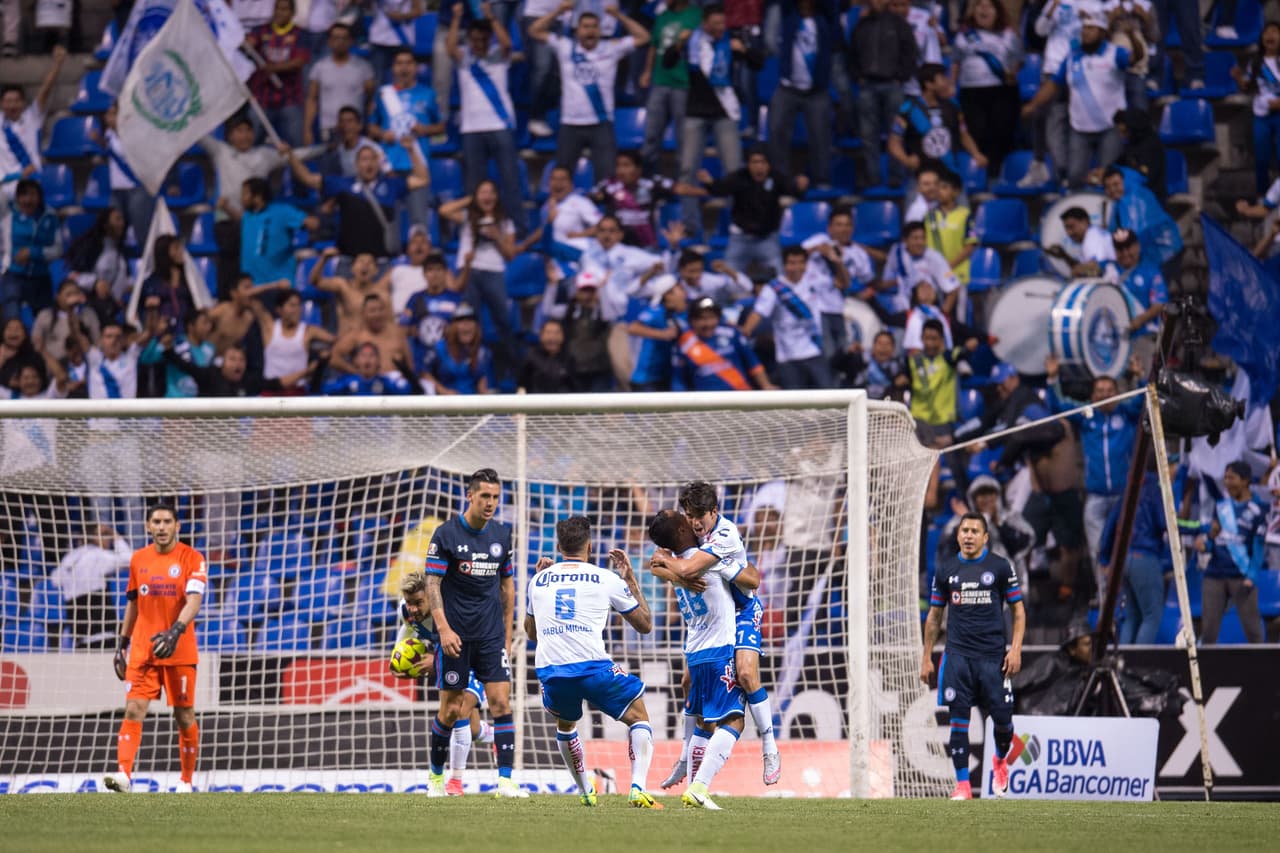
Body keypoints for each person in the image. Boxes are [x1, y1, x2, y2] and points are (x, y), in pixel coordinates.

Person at [525, 515, 662, 808]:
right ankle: (637, 788)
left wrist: (538, 591)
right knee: (639, 717)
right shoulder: (606, 578)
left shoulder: (538, 579)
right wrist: (630, 579)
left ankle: (585, 789)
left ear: (559, 545)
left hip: (552, 671)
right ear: (590, 546)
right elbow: (645, 625)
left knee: (566, 724)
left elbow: (532, 634)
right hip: (593, 668)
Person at [423, 468, 526, 798]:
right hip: (455, 638)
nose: (491, 503)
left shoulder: (501, 534)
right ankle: (436, 778)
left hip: (491, 635)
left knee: (500, 702)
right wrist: (443, 630)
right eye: (485, 496)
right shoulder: (446, 534)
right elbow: (432, 584)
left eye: (496, 497)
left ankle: (506, 781)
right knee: (452, 711)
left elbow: (507, 586)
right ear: (470, 496)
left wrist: (508, 637)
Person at [647, 509, 759, 809]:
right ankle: (700, 786)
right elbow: (751, 578)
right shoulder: (702, 559)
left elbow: (657, 564)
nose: (690, 518)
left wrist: (674, 572)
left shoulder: (671, 563)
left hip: (694, 651)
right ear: (683, 531)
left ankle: (689, 767)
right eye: (684, 518)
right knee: (734, 721)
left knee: (703, 723)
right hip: (719, 648)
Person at [671, 481, 780, 786]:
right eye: (689, 516)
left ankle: (770, 747)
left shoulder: (725, 533)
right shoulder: (693, 531)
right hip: (715, 618)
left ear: (714, 512)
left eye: (700, 516)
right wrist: (666, 566)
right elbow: (664, 563)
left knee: (745, 675)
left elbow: (690, 569)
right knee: (688, 682)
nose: (694, 523)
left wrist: (670, 565)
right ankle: (684, 756)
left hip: (742, 611)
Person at [920, 512, 1025, 800]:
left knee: (1003, 722)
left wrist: (1015, 649)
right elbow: (934, 616)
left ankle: (1000, 762)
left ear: (985, 537)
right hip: (957, 657)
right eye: (964, 530)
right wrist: (926, 656)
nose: (968, 535)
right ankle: (963, 786)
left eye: (974, 531)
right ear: (957, 535)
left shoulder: (1000, 567)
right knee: (958, 721)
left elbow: (1018, 611)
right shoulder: (946, 569)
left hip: (993, 658)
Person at [103, 504, 208, 793]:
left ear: (178, 526)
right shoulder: (139, 559)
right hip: (143, 649)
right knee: (134, 709)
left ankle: (186, 781)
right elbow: (133, 604)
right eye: (156, 522)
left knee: (184, 714)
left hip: (179, 649)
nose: (161, 527)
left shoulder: (192, 558)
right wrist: (121, 644)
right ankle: (123, 775)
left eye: (166, 522)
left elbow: (194, 600)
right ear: (148, 526)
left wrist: (176, 630)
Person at [1045, 352, 1143, 592]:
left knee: (1127, 552)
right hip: (1096, 499)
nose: (1105, 395)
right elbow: (1059, 406)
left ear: (1118, 393)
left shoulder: (1127, 413)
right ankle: (1104, 605)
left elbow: (1143, 400)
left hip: (1123, 498)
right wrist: (1052, 378)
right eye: (1100, 391)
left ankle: (1126, 604)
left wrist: (1139, 377)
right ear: (1092, 395)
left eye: (1110, 390)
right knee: (1099, 553)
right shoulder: (1088, 416)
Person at [394, 570, 496, 797]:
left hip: (476, 654)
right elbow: (408, 628)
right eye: (410, 602)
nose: (413, 608)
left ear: (432, 595)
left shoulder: (453, 610)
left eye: (418, 602)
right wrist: (398, 657)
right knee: (473, 729)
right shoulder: (406, 611)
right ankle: (497, 736)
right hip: (449, 655)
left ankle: (455, 783)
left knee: (458, 711)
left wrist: (436, 661)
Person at [530, 1, 650, 182]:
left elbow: (644, 37)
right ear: (577, 30)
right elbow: (534, 30)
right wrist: (559, 11)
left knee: (608, 181)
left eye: (594, 27)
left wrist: (619, 16)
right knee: (563, 177)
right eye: (585, 27)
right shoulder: (565, 47)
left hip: (601, 124)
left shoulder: (611, 48)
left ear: (600, 30)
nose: (590, 31)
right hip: (570, 124)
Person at [1022, 13, 1141, 188]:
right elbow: (1053, 85)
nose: (1085, 32)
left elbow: (1135, 58)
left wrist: (1132, 36)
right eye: (1084, 28)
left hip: (1111, 126)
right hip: (1080, 128)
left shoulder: (1114, 53)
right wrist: (1033, 105)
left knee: (1108, 175)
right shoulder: (1072, 57)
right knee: (1075, 177)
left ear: (1101, 32)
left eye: (1091, 29)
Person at [447, 4, 528, 236]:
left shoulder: (498, 57)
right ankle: (476, 228)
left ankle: (517, 229)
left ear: (488, 38)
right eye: (474, 39)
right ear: (470, 39)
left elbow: (507, 44)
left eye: (483, 39)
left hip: (500, 126)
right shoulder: (464, 60)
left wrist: (491, 17)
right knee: (474, 185)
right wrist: (455, 19)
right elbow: (450, 47)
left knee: (510, 181)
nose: (478, 43)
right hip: (472, 129)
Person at [676, 3, 759, 221]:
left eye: (723, 22)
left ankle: (737, 219)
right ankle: (689, 223)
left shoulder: (730, 41)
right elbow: (667, 62)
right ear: (705, 24)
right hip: (695, 110)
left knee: (734, 170)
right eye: (716, 23)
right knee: (687, 169)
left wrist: (744, 50)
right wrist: (679, 44)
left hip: (725, 111)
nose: (721, 27)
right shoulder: (691, 41)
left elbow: (758, 63)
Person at [284, 139, 430, 262]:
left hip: (382, 261)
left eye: (373, 159)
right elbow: (308, 179)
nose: (369, 164)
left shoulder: (391, 184)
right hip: (349, 260)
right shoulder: (342, 184)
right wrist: (290, 156)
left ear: (379, 163)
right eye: (364, 159)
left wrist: (412, 150)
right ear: (356, 164)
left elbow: (422, 180)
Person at [687, 146, 808, 280]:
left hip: (767, 239)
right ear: (749, 164)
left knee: (780, 279)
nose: (759, 167)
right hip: (740, 239)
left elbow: (793, 191)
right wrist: (710, 183)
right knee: (727, 280)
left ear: (768, 164)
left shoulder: (776, 177)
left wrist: (800, 188)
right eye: (755, 162)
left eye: (763, 162)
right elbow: (721, 189)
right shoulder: (739, 177)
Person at [438, 180, 518, 375]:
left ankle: (512, 369)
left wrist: (497, 236)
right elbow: (443, 211)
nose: (487, 197)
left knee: (503, 321)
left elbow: (510, 254)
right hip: (469, 271)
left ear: (497, 197)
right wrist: (469, 200)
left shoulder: (506, 222)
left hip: (493, 271)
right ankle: (469, 369)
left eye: (491, 192)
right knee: (467, 322)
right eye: (482, 192)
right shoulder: (467, 217)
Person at [740, 244, 844, 389]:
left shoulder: (814, 280)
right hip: (787, 357)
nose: (796, 267)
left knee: (829, 396)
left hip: (814, 351)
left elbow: (842, 283)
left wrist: (838, 263)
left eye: (801, 262)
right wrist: (746, 329)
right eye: (792, 263)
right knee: (795, 404)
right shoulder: (773, 288)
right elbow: (759, 312)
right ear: (784, 265)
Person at [767, 0, 839, 188]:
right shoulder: (789, 17)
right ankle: (779, 180)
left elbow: (833, 8)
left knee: (820, 136)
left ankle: (822, 179)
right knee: (776, 130)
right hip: (788, 87)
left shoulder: (825, 21)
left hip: (816, 90)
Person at [1098, 457, 1169, 644]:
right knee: (1151, 615)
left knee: (1131, 615)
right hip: (1145, 556)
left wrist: (1105, 559)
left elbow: (1109, 526)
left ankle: (1124, 662)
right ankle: (1140, 662)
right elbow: (1166, 523)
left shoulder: (1127, 492)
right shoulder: (1154, 490)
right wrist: (1199, 528)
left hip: (1122, 559)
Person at [1195, 460, 1266, 644]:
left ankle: (1264, 671)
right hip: (1214, 575)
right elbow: (1213, 540)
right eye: (1225, 478)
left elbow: (1258, 549)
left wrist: (1252, 576)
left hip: (1241, 578)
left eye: (1231, 478)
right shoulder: (1221, 507)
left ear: (1245, 481)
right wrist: (1206, 542)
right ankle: (1202, 672)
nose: (1227, 482)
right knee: (1208, 633)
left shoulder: (1258, 511)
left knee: (1254, 633)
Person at [849, 0, 918, 187]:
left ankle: (896, 178)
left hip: (893, 86)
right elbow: (852, 54)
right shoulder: (862, 24)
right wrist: (858, 76)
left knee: (895, 134)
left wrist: (901, 77)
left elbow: (911, 53)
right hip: (868, 86)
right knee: (867, 135)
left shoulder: (899, 24)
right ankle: (873, 179)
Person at [951, 0, 1023, 175]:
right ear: (973, 11)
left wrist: (1012, 73)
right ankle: (978, 175)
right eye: (979, 6)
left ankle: (996, 175)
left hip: (1001, 92)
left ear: (997, 12)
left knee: (999, 133)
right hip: (971, 92)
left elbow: (1019, 60)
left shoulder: (1008, 35)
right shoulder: (963, 36)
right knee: (976, 133)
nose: (983, 10)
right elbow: (955, 63)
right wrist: (951, 84)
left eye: (988, 6)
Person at [888, 63, 988, 179]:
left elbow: (963, 134)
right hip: (922, 179)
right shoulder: (908, 109)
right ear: (929, 84)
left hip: (951, 177)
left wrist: (976, 153)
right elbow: (894, 142)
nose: (947, 82)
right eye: (942, 79)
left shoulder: (953, 106)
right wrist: (906, 160)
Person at [641, 0, 700, 174]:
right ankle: (650, 180)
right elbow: (654, 46)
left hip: (684, 83)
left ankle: (682, 182)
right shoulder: (662, 16)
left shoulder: (696, 14)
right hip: (660, 82)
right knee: (651, 136)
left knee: (684, 139)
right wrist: (647, 71)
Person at [50, 524, 131, 649]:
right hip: (104, 636)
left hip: (80, 638)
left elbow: (55, 580)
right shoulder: (97, 555)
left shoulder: (68, 558)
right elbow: (129, 560)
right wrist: (117, 538)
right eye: (105, 535)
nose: (108, 539)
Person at [0, 45, 66, 199]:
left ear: (23, 103)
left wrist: (57, 65)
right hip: (4, 189)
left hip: (31, 187)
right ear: (2, 104)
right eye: (8, 101)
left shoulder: (32, 118)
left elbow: (45, 91)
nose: (12, 105)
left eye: (16, 101)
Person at [672, 297, 777, 392]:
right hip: (706, 403)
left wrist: (766, 385)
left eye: (712, 317)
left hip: (741, 396)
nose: (708, 323)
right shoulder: (684, 344)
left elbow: (752, 362)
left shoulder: (731, 334)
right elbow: (678, 379)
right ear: (692, 320)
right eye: (702, 319)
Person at [245, 0, 310, 146]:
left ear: (292, 13)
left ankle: (296, 170)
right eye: (277, 8)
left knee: (296, 147)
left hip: (290, 100)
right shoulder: (260, 31)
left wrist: (273, 68)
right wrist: (249, 44)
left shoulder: (300, 34)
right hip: (262, 98)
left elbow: (299, 61)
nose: (280, 12)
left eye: (284, 9)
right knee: (250, 143)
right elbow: (249, 44)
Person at [589, 151, 679, 250]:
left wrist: (699, 190)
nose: (621, 170)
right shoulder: (608, 185)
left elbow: (679, 188)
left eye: (626, 165)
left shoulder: (651, 184)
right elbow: (587, 201)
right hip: (617, 248)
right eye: (618, 166)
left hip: (647, 247)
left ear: (638, 169)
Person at [303, 23, 375, 145]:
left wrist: (370, 124)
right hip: (328, 128)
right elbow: (312, 100)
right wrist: (307, 130)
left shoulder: (363, 68)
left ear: (351, 41)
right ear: (329, 42)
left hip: (355, 129)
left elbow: (371, 99)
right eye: (336, 38)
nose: (340, 42)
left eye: (344, 38)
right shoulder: (319, 67)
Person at [239, 178, 317, 287]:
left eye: (245, 194)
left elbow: (312, 223)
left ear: (258, 196)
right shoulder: (247, 216)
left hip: (280, 285)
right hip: (253, 287)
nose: (241, 198)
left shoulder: (282, 211)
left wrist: (317, 224)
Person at [1, 177, 60, 318]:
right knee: (11, 316)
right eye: (23, 195)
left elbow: (58, 250)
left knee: (46, 319)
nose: (27, 200)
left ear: (39, 197)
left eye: (32, 194)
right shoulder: (8, 217)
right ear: (17, 198)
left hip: (40, 277)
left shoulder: (50, 217)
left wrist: (33, 253)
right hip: (14, 275)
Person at [1232, 23, 1280, 196]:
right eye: (1266, 32)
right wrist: (1238, 78)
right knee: (1261, 159)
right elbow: (1249, 87)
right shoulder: (1256, 62)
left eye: (1275, 32)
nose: (1270, 35)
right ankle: (1263, 196)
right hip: (1261, 115)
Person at [253, 289, 333, 392]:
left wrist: (324, 356)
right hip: (271, 390)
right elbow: (250, 299)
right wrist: (275, 285)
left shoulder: (309, 331)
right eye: (292, 305)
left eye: (298, 305)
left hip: (297, 392)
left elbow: (335, 340)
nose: (297, 310)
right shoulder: (270, 327)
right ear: (279, 309)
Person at [312, 248, 390, 337]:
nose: (365, 266)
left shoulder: (381, 294)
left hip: (371, 344)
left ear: (376, 271)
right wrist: (324, 258)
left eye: (369, 263)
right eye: (361, 262)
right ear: (352, 268)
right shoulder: (343, 286)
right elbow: (315, 281)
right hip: (346, 343)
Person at [420, 304, 493, 394]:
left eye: (470, 321)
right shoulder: (439, 349)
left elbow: (482, 382)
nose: (466, 325)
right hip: (445, 403)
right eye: (461, 321)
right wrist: (443, 391)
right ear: (452, 327)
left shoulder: (482, 352)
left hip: (471, 403)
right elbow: (424, 374)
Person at [32, 278, 100, 362]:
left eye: (76, 293)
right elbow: (36, 342)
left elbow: (98, 342)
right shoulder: (45, 316)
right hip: (54, 364)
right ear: (58, 297)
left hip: (84, 362)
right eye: (69, 294)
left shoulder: (88, 313)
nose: (73, 297)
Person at [1049, 207, 1115, 277]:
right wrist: (1064, 256)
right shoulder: (1093, 233)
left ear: (1084, 222)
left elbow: (1095, 269)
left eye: (1071, 227)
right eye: (1066, 228)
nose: (1069, 233)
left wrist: (1077, 270)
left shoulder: (1092, 239)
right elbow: (1084, 266)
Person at [517, 318, 577, 393]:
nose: (552, 337)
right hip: (536, 401)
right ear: (541, 336)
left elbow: (574, 386)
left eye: (556, 333)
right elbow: (521, 385)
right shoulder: (531, 357)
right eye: (548, 332)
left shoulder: (569, 358)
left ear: (563, 336)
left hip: (562, 402)